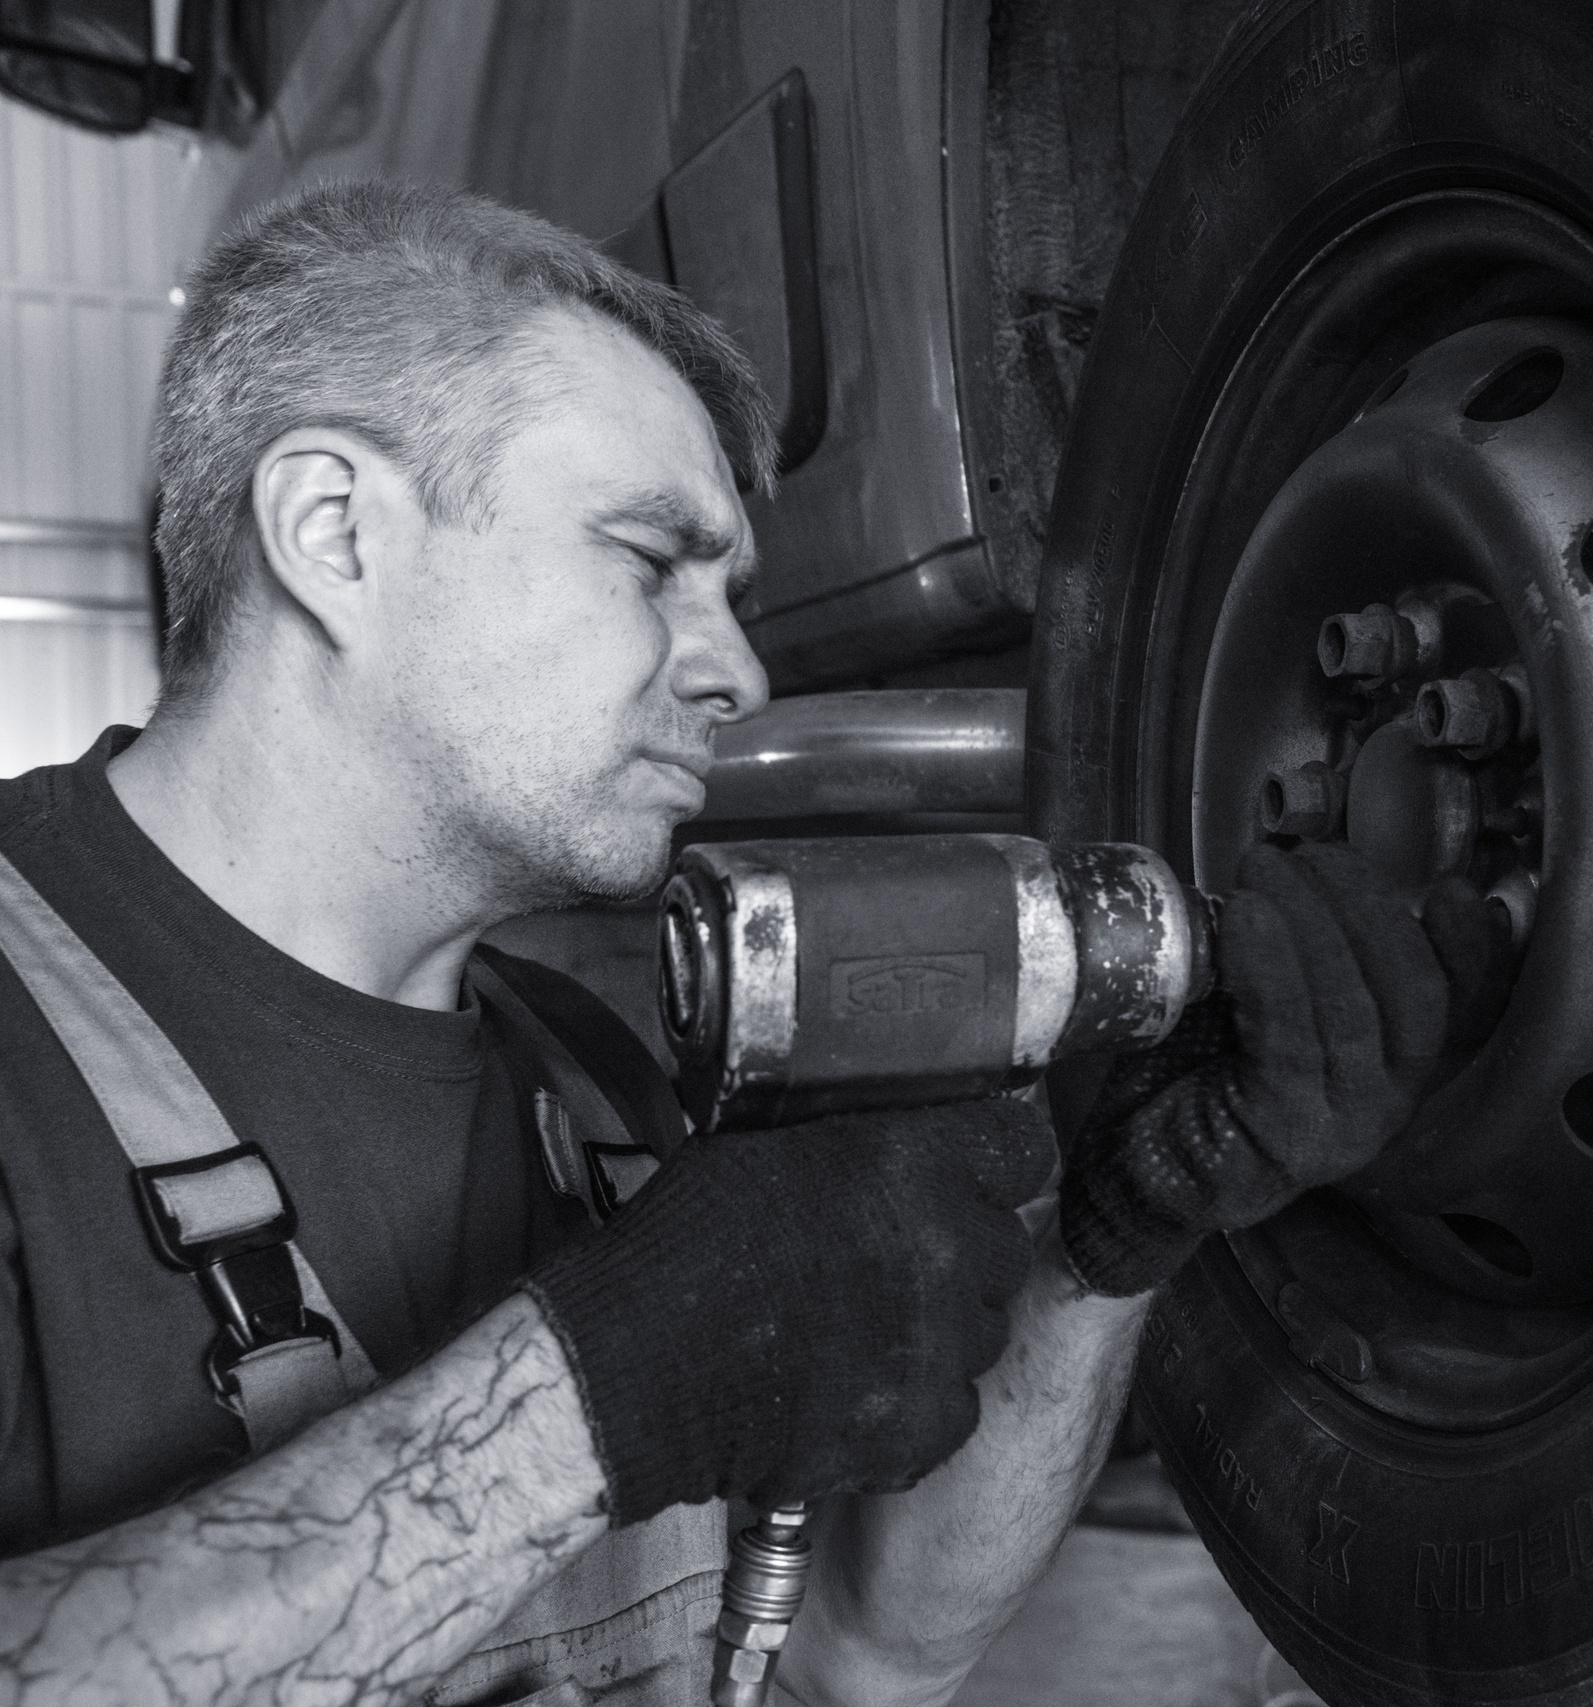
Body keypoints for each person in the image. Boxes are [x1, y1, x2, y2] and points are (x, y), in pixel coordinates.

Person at [0, 181, 1505, 1706]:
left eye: (733, 597)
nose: (735, 670)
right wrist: (593, 1402)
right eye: (651, 563)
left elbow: (862, 1652)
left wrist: (1111, 1243)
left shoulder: (589, 1081)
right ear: (334, 533)